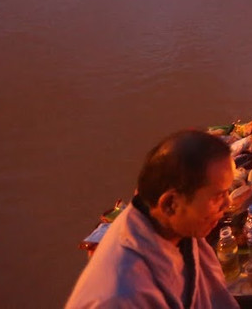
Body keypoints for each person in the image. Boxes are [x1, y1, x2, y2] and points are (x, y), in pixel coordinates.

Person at [65, 130, 238, 309]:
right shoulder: (121, 296)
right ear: (170, 204)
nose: (228, 203)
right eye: (218, 196)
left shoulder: (174, 228)